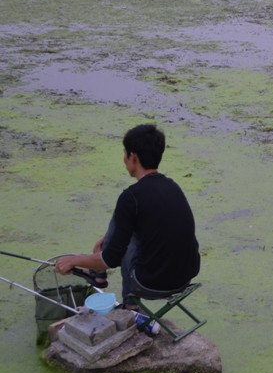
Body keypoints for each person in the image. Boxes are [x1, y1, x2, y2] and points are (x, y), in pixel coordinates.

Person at [56, 124, 200, 307]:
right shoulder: (173, 186)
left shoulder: (131, 197)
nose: (124, 159)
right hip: (185, 280)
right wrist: (110, 238)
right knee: (129, 226)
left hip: (149, 284)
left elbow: (110, 259)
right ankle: (97, 273)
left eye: (125, 153)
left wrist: (74, 260)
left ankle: (130, 304)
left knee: (123, 226)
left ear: (133, 157)